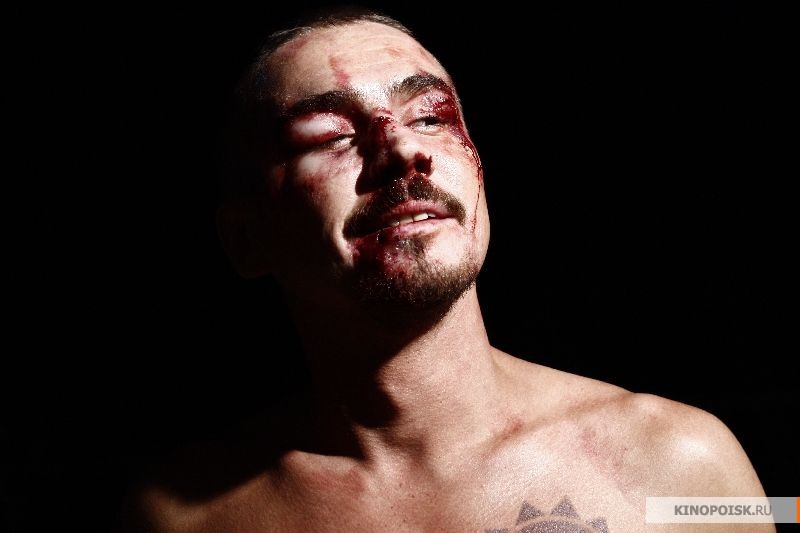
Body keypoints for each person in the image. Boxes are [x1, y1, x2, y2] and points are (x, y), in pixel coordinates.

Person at [122, 8, 772, 532]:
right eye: (330, 136)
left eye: (431, 117)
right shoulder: (181, 516)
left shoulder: (688, 465)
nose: (403, 149)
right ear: (247, 240)